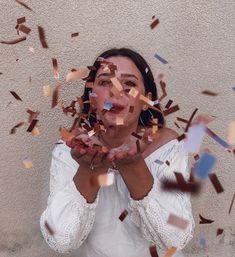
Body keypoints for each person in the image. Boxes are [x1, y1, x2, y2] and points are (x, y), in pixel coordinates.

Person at [40, 48, 195, 257]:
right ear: (92, 96)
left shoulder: (167, 146)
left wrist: (134, 166)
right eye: (105, 82)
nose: (116, 91)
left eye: (129, 83)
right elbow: (60, 240)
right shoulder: (71, 148)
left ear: (146, 99)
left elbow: (176, 238)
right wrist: (89, 170)